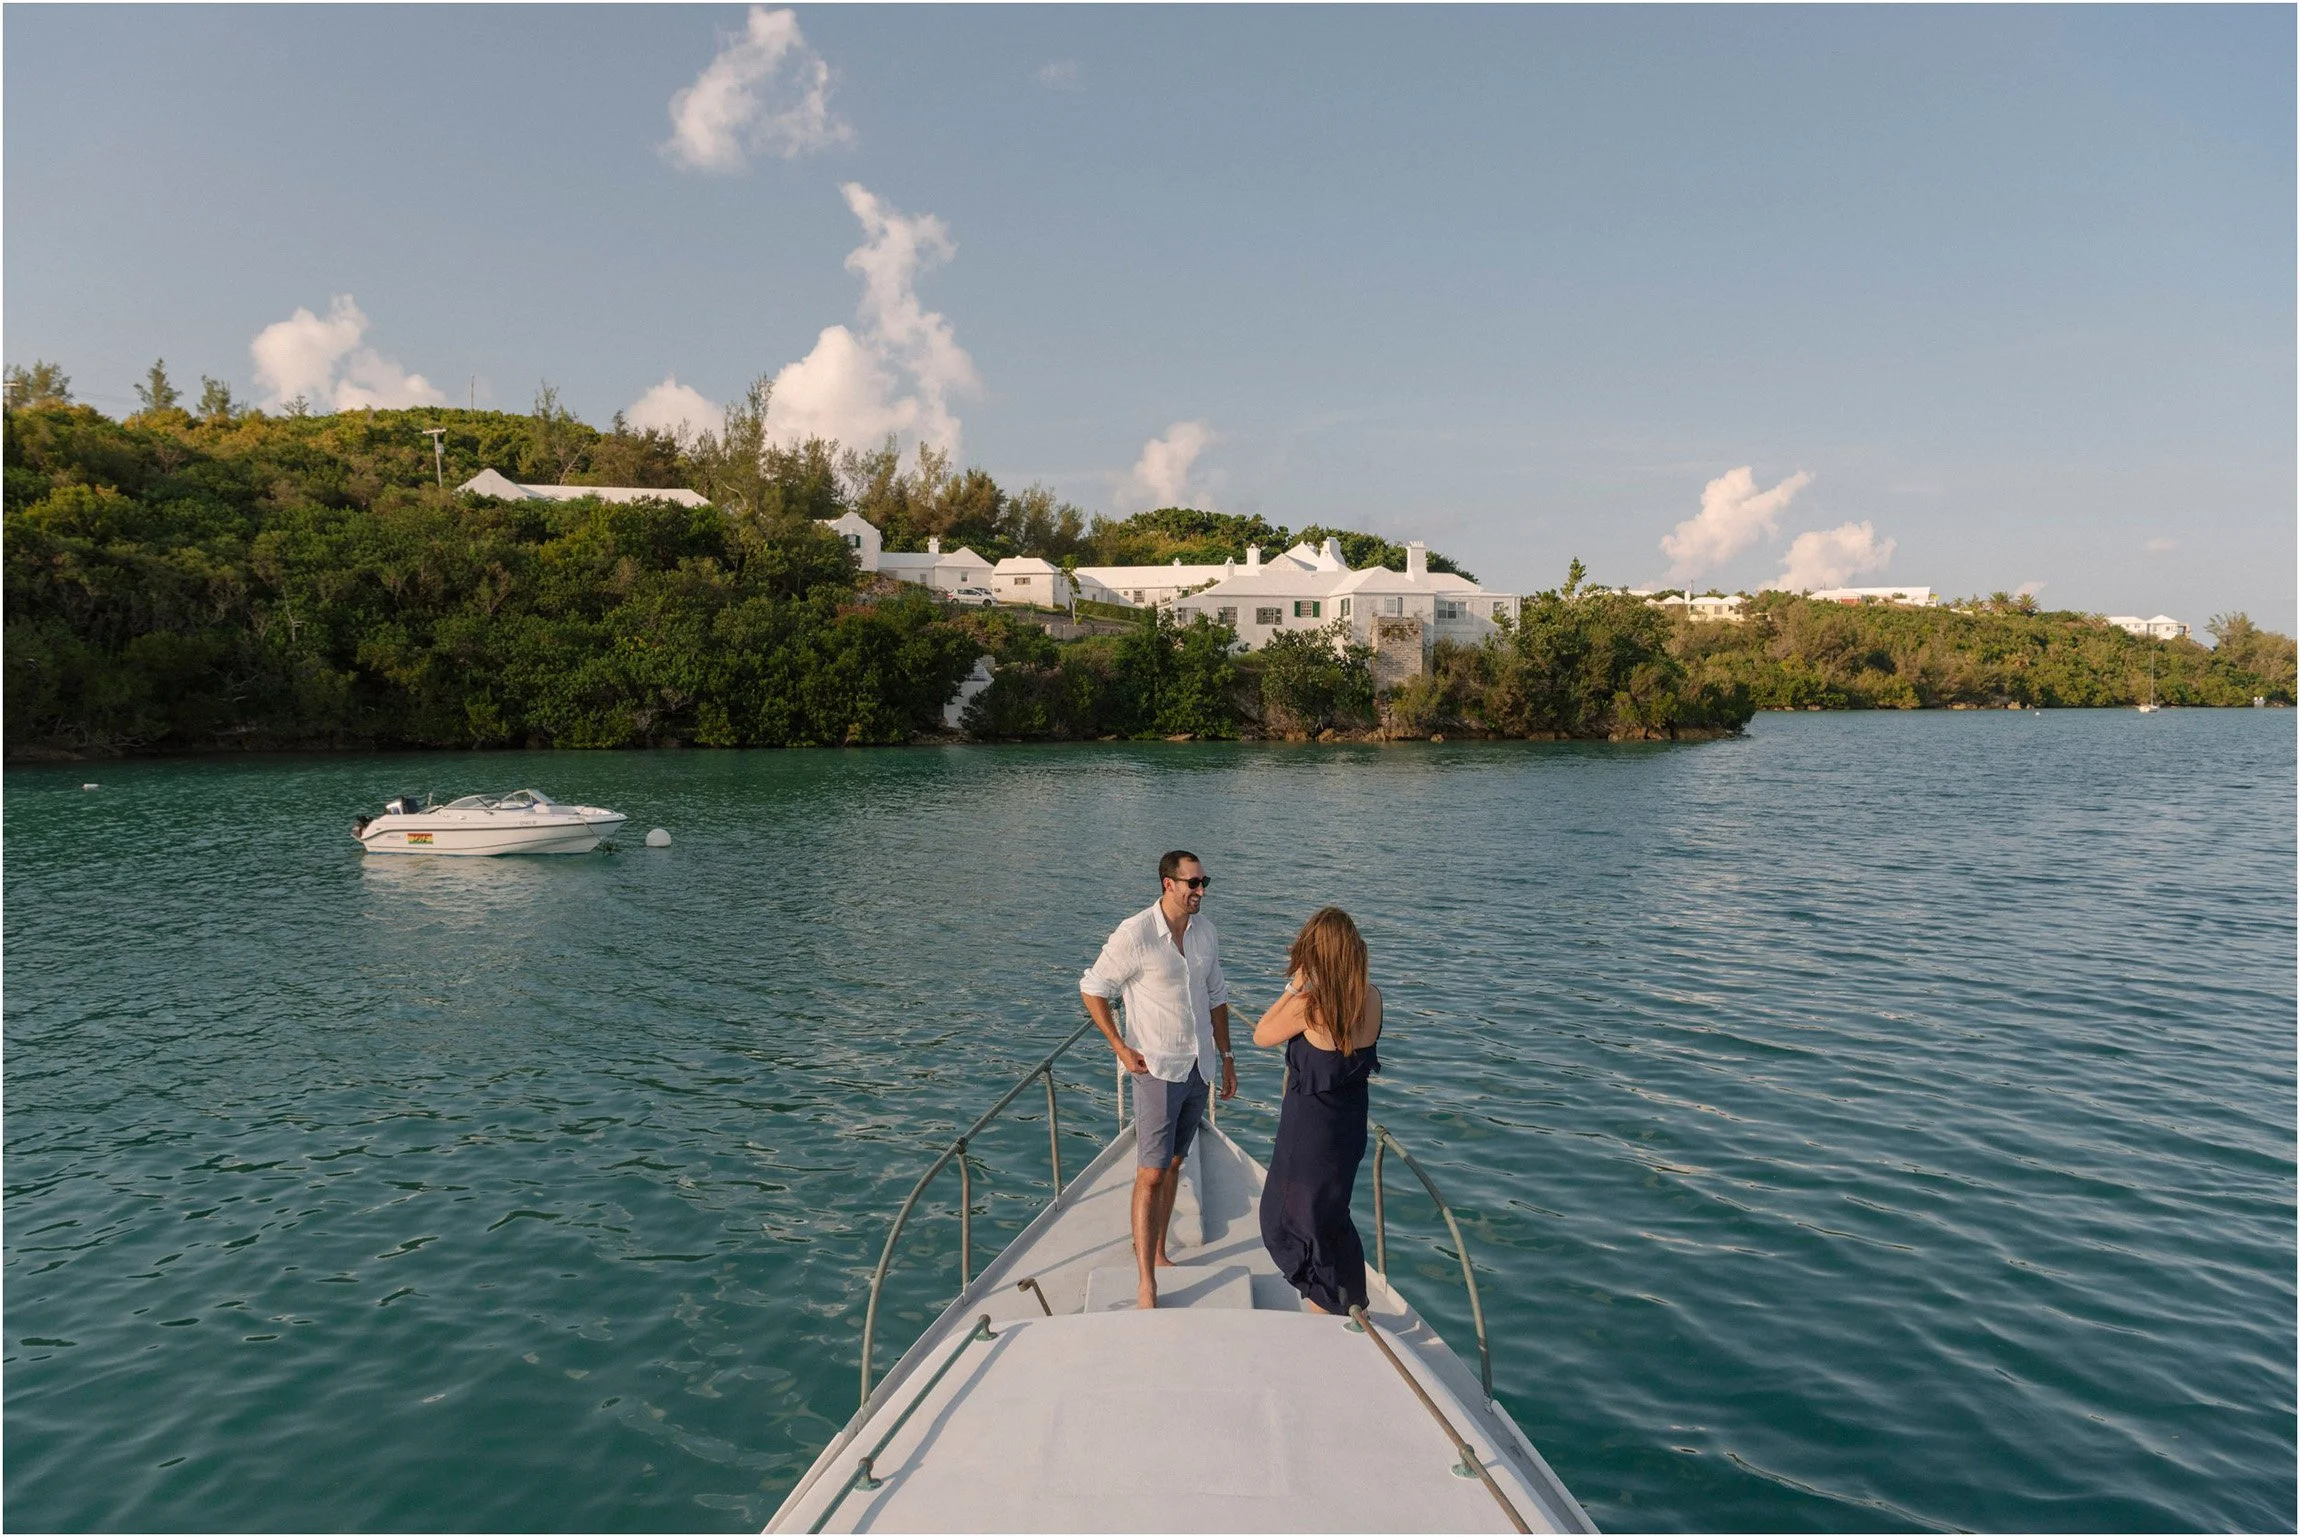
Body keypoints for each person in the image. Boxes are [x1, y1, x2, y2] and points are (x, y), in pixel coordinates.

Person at [1081, 850, 1238, 1309]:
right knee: (1150, 1172)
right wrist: (1120, 1047)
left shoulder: (1206, 932)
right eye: (1193, 883)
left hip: (1199, 1066)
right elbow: (1093, 987)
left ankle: (1158, 1251)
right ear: (1168, 884)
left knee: (1173, 1164)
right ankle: (1145, 1283)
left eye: (1204, 882)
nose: (1200, 891)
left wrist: (1227, 1058)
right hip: (1156, 1068)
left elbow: (1217, 997)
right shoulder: (1136, 933)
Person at [1254, 906, 1383, 1316]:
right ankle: (1353, 1302)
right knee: (1331, 1216)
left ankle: (1328, 1312)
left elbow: (1261, 1034)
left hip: (1308, 1133)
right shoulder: (1371, 998)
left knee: (1286, 1223)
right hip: (1348, 1130)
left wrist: (1293, 987)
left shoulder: (1309, 1006)